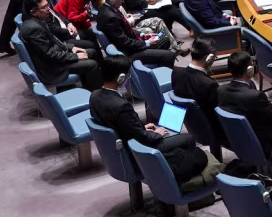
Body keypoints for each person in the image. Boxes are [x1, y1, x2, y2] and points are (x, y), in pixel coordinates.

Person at [90, 54, 220, 185]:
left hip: (125, 145)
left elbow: (119, 126)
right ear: (120, 78)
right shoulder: (121, 105)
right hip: (139, 150)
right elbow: (143, 139)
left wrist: (141, 128)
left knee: (177, 140)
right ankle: (180, 181)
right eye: (128, 75)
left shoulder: (94, 96)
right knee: (189, 139)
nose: (129, 78)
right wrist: (156, 134)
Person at [217, 50, 272, 157]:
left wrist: (269, 105)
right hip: (263, 140)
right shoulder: (255, 96)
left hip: (239, 138)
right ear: (249, 70)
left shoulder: (220, 90)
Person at [19, 0, 102, 90]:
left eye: (47, 5)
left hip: (55, 57)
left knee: (91, 52)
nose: (48, 9)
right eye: (44, 7)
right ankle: (99, 97)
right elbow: (50, 54)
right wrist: (75, 56)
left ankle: (90, 89)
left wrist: (71, 47)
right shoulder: (33, 29)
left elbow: (54, 41)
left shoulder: (39, 20)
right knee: (92, 64)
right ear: (34, 12)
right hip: (52, 68)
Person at [97, 0, 177, 68]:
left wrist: (143, 35)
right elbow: (124, 42)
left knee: (164, 39)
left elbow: (126, 28)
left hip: (130, 45)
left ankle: (158, 63)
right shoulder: (110, 17)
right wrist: (146, 43)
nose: (123, 1)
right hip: (129, 53)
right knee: (169, 55)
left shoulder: (109, 9)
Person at [170, 37, 223, 146]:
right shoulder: (209, 84)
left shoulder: (176, 73)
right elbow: (218, 115)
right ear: (209, 58)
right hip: (213, 132)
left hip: (193, 127)